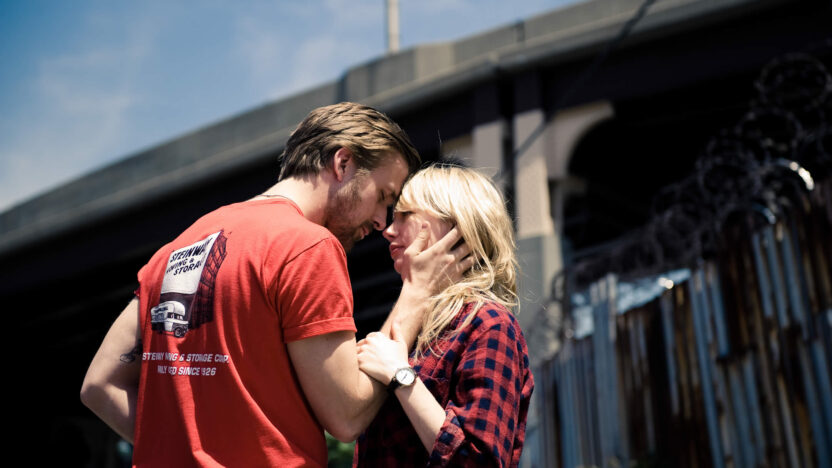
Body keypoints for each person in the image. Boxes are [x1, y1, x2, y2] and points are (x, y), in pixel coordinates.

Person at [80, 102, 474, 467]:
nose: (381, 221)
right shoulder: (307, 247)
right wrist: (417, 293)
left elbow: (100, 385)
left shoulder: (176, 249)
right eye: (383, 196)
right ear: (343, 163)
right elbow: (348, 415)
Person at [354, 163, 535, 467]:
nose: (388, 230)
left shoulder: (487, 324)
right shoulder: (419, 326)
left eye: (405, 215)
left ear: (455, 224)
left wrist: (401, 376)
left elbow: (479, 463)